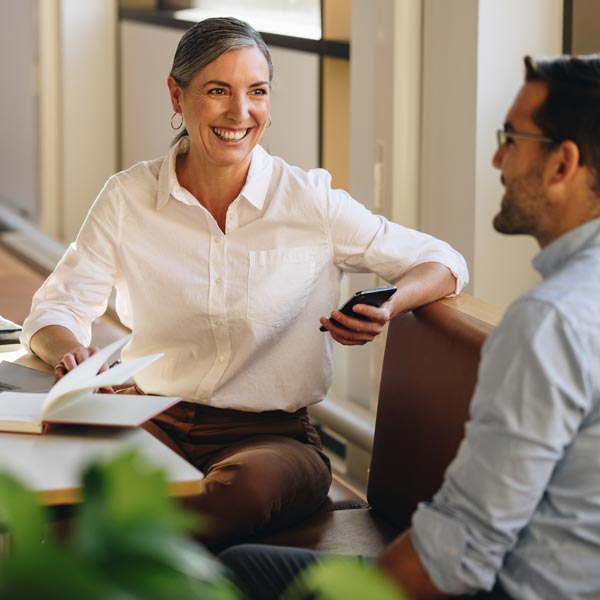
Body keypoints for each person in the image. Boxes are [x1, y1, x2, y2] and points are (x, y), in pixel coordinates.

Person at [21, 17, 467, 546]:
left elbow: (443, 261)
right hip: (149, 415)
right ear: (176, 94)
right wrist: (69, 350)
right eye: (217, 91)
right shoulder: (127, 198)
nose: (240, 113)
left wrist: (388, 307)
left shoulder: (310, 202)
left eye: (257, 92)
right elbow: (56, 308)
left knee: (242, 492)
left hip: (271, 440)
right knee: (54, 471)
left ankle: (108, 551)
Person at [219, 53, 600, 599]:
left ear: (562, 163)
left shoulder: (551, 322)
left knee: (240, 570)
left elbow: (458, 552)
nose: (497, 158)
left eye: (511, 138)